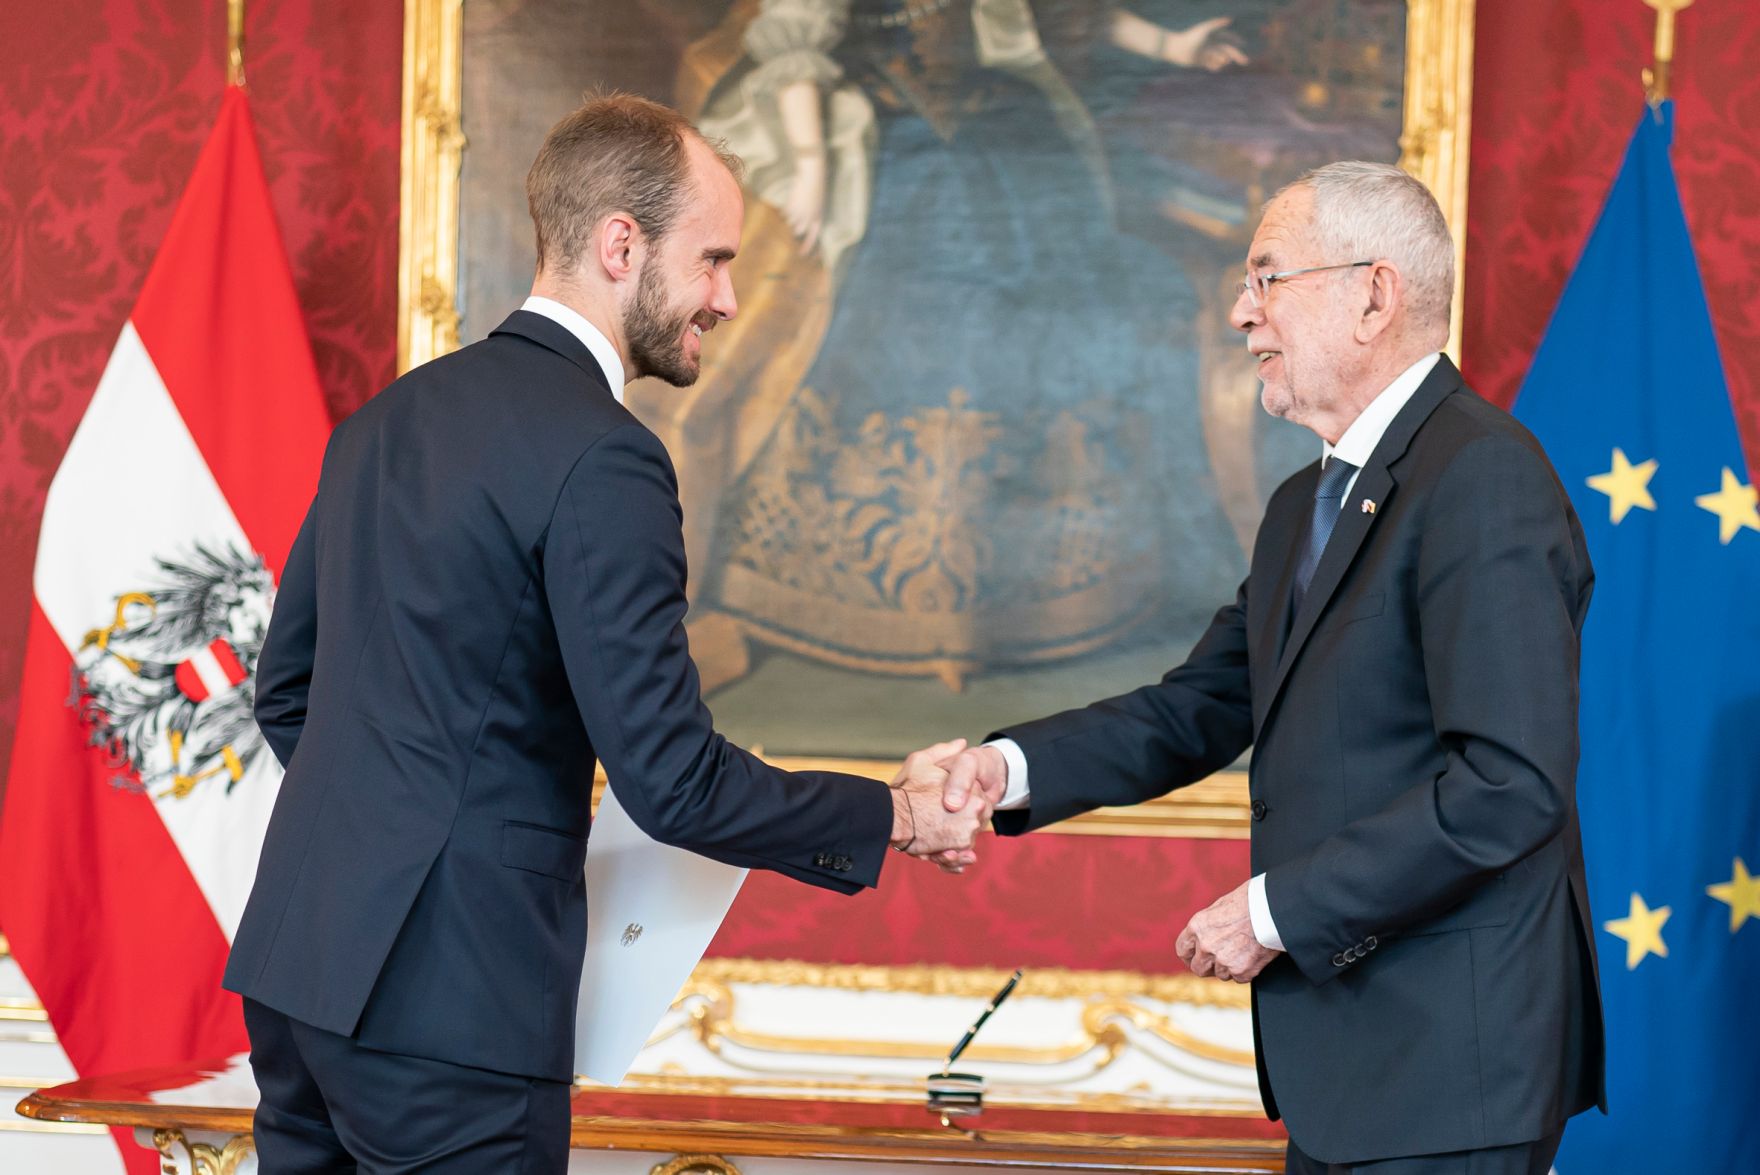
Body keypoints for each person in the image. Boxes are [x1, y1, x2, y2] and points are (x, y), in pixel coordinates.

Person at [223, 94, 990, 1174]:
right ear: (619, 244)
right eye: (714, 258)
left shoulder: (383, 420)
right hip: (457, 1009)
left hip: (300, 975)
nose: (727, 296)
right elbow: (670, 778)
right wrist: (894, 812)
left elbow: (288, 692)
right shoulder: (605, 455)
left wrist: (409, 831)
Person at [929, 161, 1606, 1172]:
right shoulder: (1306, 500)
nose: (1239, 313)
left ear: (1371, 294)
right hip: (1353, 1066)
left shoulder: (1480, 475)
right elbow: (1198, 706)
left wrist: (1275, 908)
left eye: (1266, 277)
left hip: (1449, 1070)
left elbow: (1507, 786)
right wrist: (1005, 768)